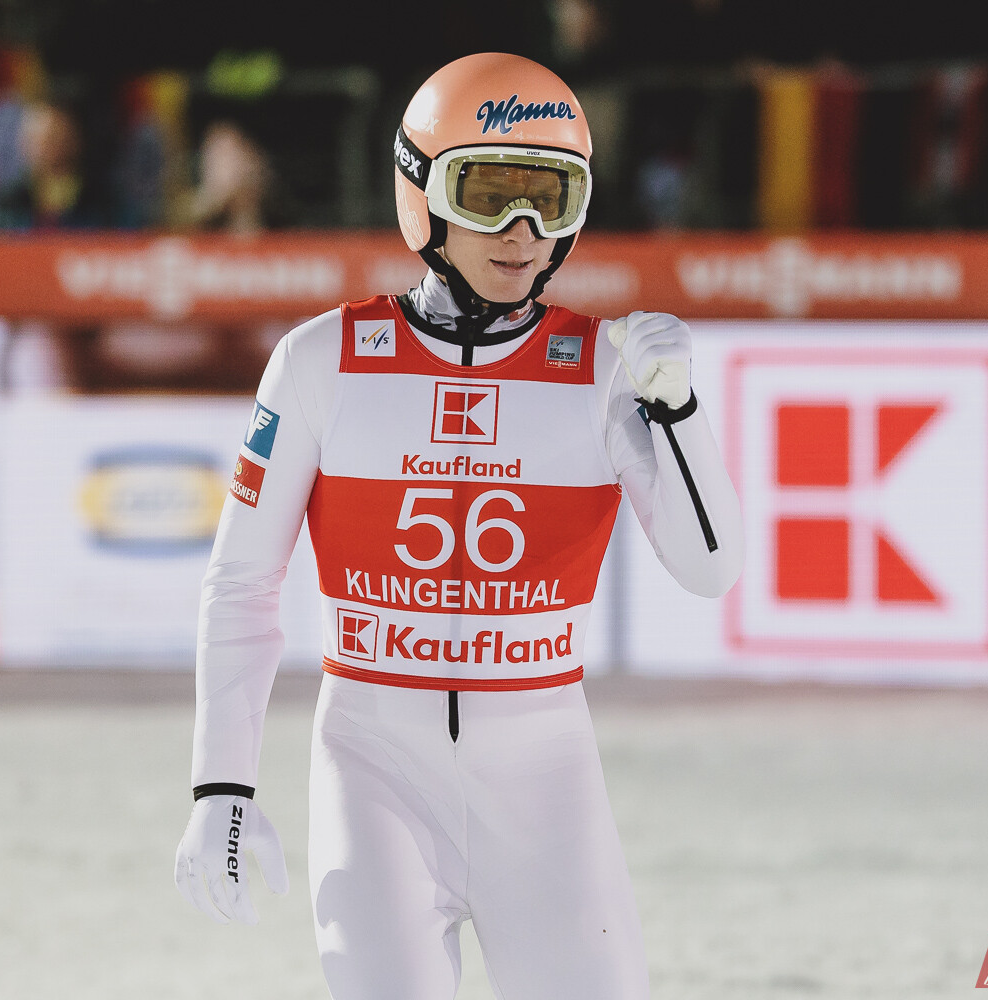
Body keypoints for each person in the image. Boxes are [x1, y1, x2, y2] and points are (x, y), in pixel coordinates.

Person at [174, 51, 743, 999]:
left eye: (551, 199)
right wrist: (220, 786)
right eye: (488, 194)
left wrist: (680, 411)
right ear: (423, 195)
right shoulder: (320, 361)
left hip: (547, 779)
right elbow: (241, 583)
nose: (522, 231)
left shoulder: (602, 369)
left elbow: (711, 568)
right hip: (371, 773)